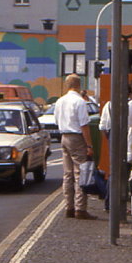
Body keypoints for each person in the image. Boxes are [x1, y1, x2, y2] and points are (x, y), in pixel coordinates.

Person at [54, 74, 96, 219]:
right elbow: (84, 125)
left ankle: (68, 207)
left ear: (67, 85)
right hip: (77, 137)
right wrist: (89, 145)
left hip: (64, 136)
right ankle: (80, 208)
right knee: (80, 173)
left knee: (67, 174)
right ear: (79, 85)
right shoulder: (79, 102)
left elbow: (56, 119)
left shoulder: (60, 101)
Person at [99, 84, 132, 164]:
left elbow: (102, 128)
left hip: (113, 140)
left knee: (115, 165)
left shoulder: (108, 105)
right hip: (130, 140)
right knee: (129, 164)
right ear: (130, 94)